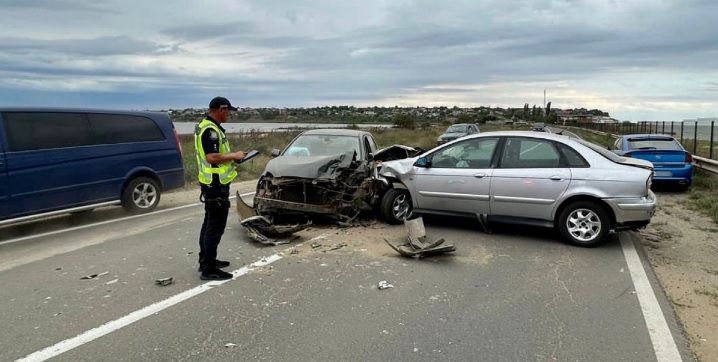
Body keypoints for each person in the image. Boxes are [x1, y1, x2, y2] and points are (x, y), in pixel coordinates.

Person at [194, 96, 247, 280]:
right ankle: (208, 269)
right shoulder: (211, 131)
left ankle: (207, 260)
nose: (229, 114)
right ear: (220, 109)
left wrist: (234, 157)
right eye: (228, 110)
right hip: (215, 184)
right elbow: (212, 157)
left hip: (210, 182)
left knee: (208, 223)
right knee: (215, 227)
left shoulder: (205, 125)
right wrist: (234, 155)